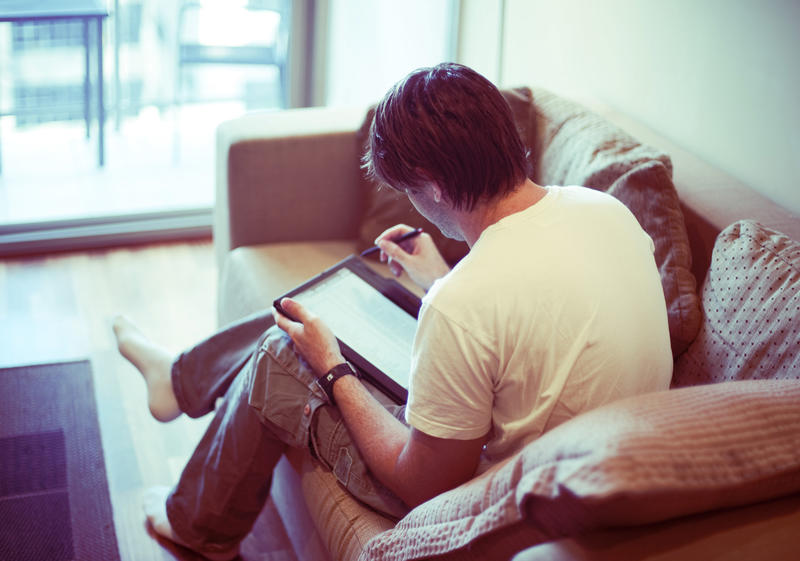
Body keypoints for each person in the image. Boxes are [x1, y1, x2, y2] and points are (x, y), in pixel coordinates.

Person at [113, 62, 673, 560]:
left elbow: (423, 485)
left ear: (429, 186)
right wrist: (439, 280)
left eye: (408, 190)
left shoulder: (467, 302)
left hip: (510, 504)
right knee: (314, 313)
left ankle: (195, 528)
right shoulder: (606, 211)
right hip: (609, 462)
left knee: (286, 352)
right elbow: (533, 326)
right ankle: (180, 377)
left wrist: (334, 369)